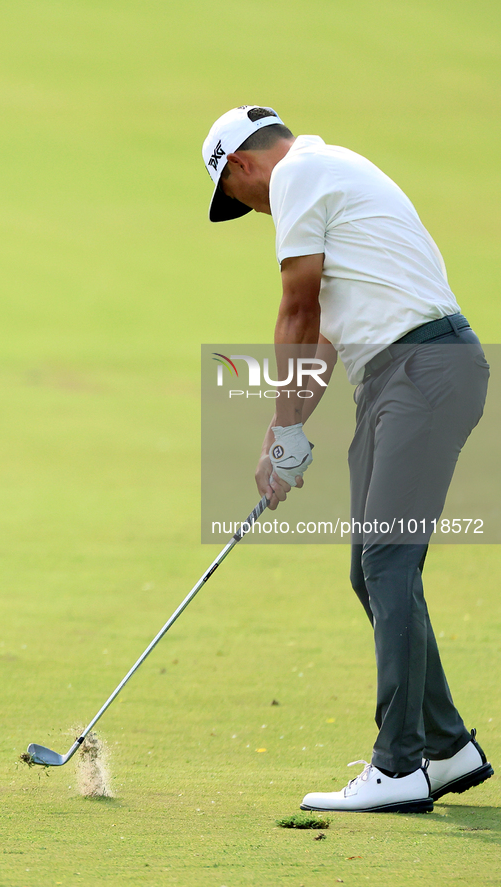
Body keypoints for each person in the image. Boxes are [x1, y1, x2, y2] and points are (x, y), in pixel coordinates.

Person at [201, 105, 493, 813]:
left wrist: (280, 431)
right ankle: (445, 747)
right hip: (409, 372)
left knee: (387, 562)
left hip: (418, 369)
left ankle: (397, 766)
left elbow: (295, 312)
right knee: (371, 570)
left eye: (235, 198)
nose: (248, 208)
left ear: (240, 166)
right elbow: (326, 335)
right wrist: (288, 437)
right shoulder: (334, 169)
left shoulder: (299, 174)